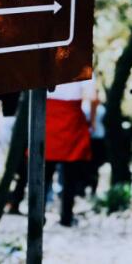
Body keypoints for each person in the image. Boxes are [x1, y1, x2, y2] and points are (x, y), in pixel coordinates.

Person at [44, 80, 92, 226]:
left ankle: (38, 214)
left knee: (44, 174)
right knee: (69, 177)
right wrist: (92, 120)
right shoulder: (82, 69)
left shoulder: (45, 68)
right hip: (71, 123)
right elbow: (93, 97)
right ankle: (66, 217)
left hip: (48, 121)